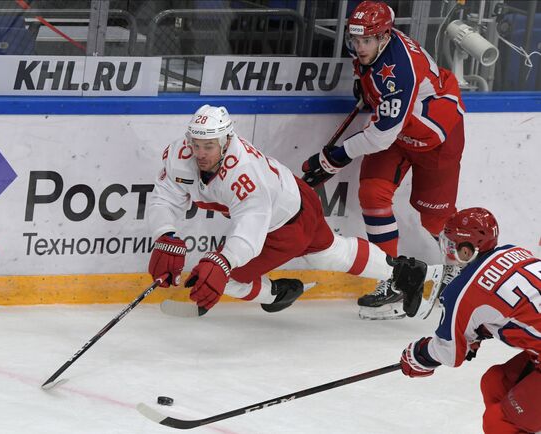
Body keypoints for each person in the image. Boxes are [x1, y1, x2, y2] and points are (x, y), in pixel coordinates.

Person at [147, 104, 426, 314]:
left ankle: (278, 294)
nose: (200, 153)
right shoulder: (179, 155)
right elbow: (166, 196)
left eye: (208, 146)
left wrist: (224, 260)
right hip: (294, 197)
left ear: (226, 142)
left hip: (287, 224)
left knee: (226, 277)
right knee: (329, 255)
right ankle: (404, 272)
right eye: (195, 145)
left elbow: (249, 231)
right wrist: (165, 234)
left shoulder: (245, 173)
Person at [301, 0, 464, 320]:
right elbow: (378, 104)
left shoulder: (401, 70)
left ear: (385, 37)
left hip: (435, 135)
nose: (359, 47)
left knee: (434, 219)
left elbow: (380, 137)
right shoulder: (369, 46)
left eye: (366, 41)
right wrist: (364, 90)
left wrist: (334, 157)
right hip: (395, 131)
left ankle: (458, 269)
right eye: (355, 40)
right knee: (372, 195)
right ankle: (392, 276)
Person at [400, 207, 541, 434]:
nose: (449, 249)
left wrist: (419, 355)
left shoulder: (463, 290)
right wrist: (482, 331)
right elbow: (522, 309)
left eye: (453, 244)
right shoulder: (516, 252)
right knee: (496, 382)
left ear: (468, 250)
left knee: (499, 422)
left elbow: (448, 353)